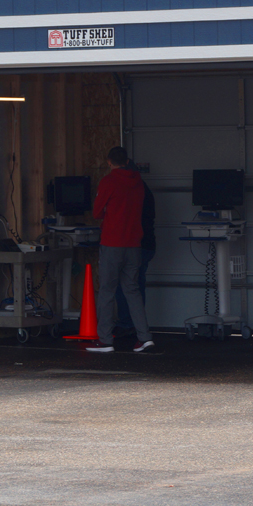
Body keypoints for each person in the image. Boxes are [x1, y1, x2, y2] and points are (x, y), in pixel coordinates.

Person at [86, 146, 155, 353]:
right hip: (134, 244)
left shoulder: (108, 181)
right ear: (126, 161)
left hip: (112, 243)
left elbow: (97, 212)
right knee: (132, 290)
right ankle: (144, 337)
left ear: (109, 162)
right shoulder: (139, 184)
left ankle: (106, 340)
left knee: (107, 290)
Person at [114, 160, 155, 337]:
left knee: (123, 286)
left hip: (131, 243)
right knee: (136, 285)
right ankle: (139, 327)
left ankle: (126, 324)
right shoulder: (143, 189)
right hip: (146, 244)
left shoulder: (127, 189)